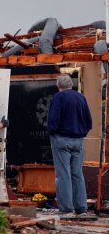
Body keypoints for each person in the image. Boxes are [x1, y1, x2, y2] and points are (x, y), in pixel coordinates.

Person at [48, 74, 92, 216]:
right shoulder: (81, 97)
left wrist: (52, 132)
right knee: (77, 173)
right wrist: (82, 133)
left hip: (62, 139)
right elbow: (89, 121)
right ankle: (81, 207)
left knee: (63, 174)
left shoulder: (58, 97)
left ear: (58, 86)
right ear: (71, 85)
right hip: (78, 141)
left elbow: (53, 120)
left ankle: (66, 208)